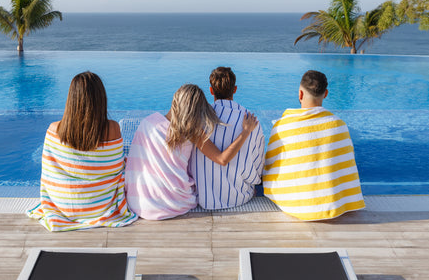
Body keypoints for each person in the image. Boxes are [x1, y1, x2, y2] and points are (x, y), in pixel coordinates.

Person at [124, 84, 259, 220]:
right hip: (176, 204)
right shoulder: (193, 132)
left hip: (140, 204)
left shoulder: (147, 124)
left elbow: (133, 164)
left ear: (175, 100)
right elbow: (222, 159)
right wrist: (246, 132)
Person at [27, 72, 138, 231]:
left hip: (64, 206)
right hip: (100, 206)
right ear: (101, 99)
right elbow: (117, 168)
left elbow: (48, 173)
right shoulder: (112, 129)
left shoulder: (54, 129)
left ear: (71, 100)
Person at [263, 70, 365, 221]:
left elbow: (270, 163)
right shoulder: (339, 125)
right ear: (325, 94)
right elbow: (346, 165)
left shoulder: (283, 126)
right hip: (334, 203)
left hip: (294, 203)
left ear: (300, 94)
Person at [189, 67, 265, 209]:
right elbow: (258, 165)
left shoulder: (197, 119)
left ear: (211, 91)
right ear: (235, 89)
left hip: (201, 197)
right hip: (239, 197)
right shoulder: (250, 120)